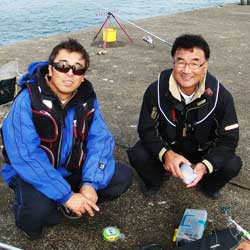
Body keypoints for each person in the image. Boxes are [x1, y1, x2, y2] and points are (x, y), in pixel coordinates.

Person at [1, 38, 133, 239]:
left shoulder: (86, 98)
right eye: (63, 66)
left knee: (122, 177)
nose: (70, 72)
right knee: (37, 216)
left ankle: (73, 199)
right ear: (51, 70)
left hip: (71, 169)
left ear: (83, 76)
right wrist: (67, 196)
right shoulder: (26, 101)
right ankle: (39, 206)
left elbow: (101, 139)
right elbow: (26, 156)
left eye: (78, 69)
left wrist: (90, 184)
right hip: (32, 172)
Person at [127, 34, 242, 198]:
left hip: (202, 149)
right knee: (137, 154)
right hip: (170, 145)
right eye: (181, 62)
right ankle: (156, 180)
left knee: (232, 164)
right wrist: (166, 154)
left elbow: (229, 139)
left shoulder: (221, 96)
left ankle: (207, 185)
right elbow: (146, 130)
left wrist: (205, 165)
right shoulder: (155, 90)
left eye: (195, 63)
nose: (187, 70)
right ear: (173, 62)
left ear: (204, 67)